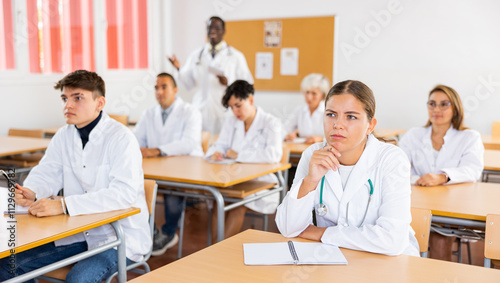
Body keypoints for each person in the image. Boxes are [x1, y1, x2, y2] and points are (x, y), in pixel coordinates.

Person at [0, 70, 151, 282]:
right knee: (8, 266)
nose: (67, 105)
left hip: (120, 236)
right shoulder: (64, 135)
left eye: (77, 98)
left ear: (100, 103)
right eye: (65, 98)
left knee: (78, 280)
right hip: (78, 231)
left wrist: (64, 205)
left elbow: (123, 194)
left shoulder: (121, 138)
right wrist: (32, 191)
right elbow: (48, 172)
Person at [275, 80, 419, 256]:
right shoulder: (313, 155)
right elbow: (289, 228)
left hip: (387, 262)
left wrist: (322, 233)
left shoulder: (391, 159)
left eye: (351, 116)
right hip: (332, 258)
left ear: (370, 125)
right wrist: (310, 181)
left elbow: (392, 240)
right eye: (331, 114)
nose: (337, 124)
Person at [398, 84, 484, 261]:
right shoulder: (414, 134)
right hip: (414, 202)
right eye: (432, 104)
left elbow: (472, 170)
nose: (436, 109)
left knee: (439, 239)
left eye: (444, 104)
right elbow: (398, 168)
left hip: (451, 207)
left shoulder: (469, 137)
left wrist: (442, 177)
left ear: (455, 108)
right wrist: (418, 179)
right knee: (397, 234)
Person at [133, 72, 203, 256]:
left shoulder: (190, 111)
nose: (159, 91)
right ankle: (151, 231)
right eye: (156, 88)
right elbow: (136, 139)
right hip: (157, 169)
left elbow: (189, 142)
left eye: (164, 87)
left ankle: (169, 233)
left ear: (175, 90)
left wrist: (156, 150)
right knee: (135, 187)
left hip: (184, 170)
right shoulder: (149, 113)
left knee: (173, 194)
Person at [205, 80, 282, 239]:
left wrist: (239, 155)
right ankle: (213, 250)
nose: (235, 111)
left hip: (260, 182)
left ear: (251, 100)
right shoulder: (231, 121)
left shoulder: (270, 122)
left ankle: (221, 252)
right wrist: (217, 152)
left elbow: (274, 154)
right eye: (232, 107)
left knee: (238, 205)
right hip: (234, 177)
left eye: (238, 105)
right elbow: (220, 144)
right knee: (217, 202)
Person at [168, 16, 254, 134]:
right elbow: (188, 85)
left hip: (224, 112)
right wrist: (178, 69)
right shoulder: (196, 55)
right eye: (210, 28)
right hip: (200, 110)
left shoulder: (236, 56)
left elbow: (248, 86)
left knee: (222, 148)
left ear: (223, 31)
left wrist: (228, 83)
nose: (213, 31)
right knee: (200, 147)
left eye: (217, 28)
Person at [284, 73, 330, 143]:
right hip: (301, 149)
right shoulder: (299, 111)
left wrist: (321, 139)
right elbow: (284, 128)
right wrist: (286, 136)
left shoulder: (329, 111)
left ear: (322, 95)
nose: (309, 97)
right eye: (307, 92)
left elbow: (337, 136)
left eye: (314, 93)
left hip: (324, 150)